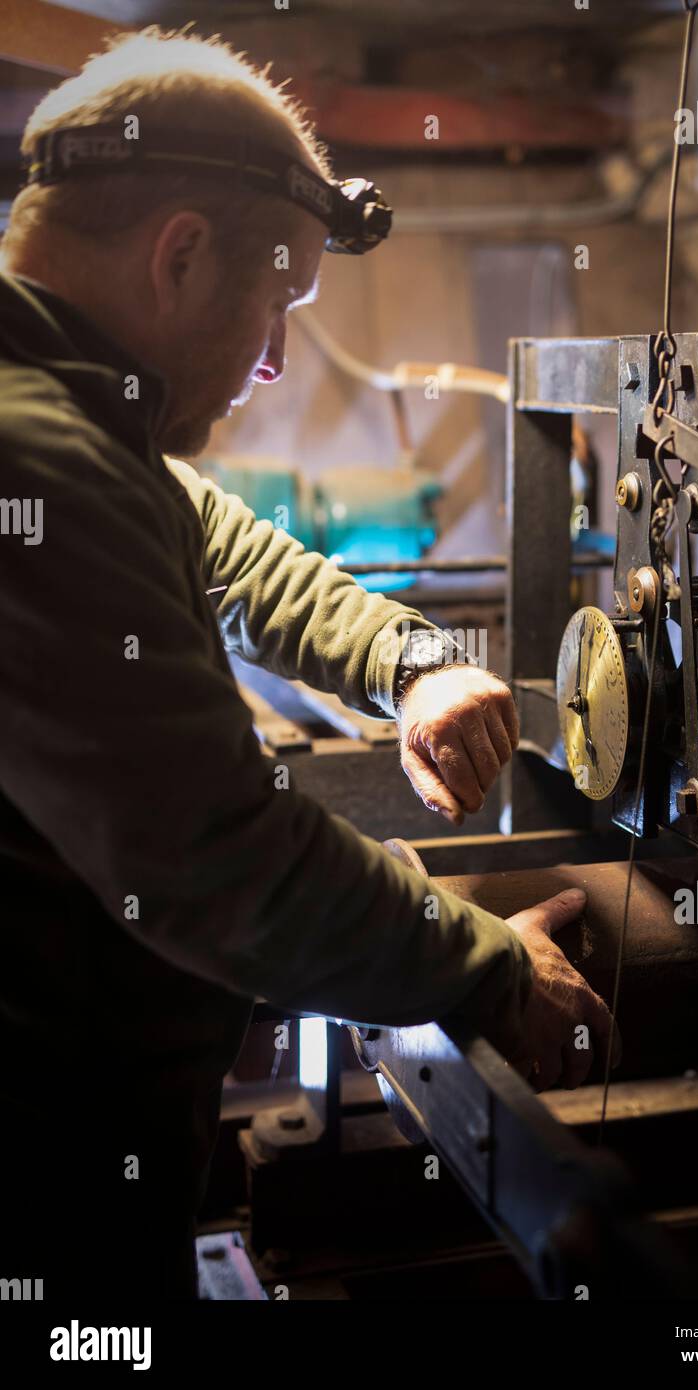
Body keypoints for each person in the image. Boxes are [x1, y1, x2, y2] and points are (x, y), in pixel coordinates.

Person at [0, 28, 615, 1300]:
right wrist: (486, 964)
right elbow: (220, 860)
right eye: (274, 304)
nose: (275, 357)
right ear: (178, 255)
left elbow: (215, 540)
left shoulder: (67, 420)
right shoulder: (37, 459)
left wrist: (408, 659)